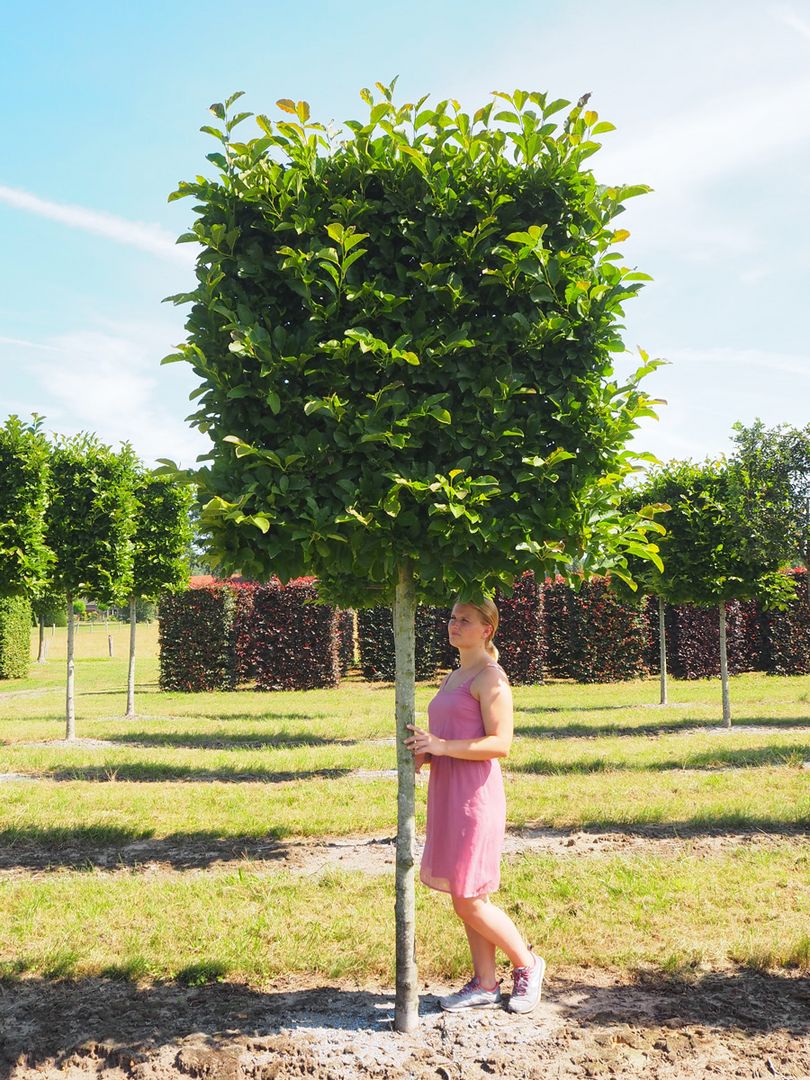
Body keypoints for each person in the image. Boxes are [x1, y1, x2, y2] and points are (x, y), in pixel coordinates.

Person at [404, 598, 545, 1013]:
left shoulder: (490, 677)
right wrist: (428, 751)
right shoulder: (456, 674)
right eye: (451, 617)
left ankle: (528, 964)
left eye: (465, 620)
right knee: (467, 893)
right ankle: (485, 983)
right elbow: (455, 733)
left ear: (487, 629)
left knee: (469, 898)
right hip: (447, 792)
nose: (454, 625)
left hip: (474, 798)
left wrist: (442, 745)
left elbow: (501, 743)